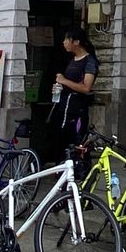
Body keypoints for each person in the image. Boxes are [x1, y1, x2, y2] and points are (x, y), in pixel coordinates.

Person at [42, 28, 98, 164]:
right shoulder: (70, 59)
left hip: (77, 110)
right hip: (63, 107)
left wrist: (64, 81)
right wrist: (60, 87)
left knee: (77, 142)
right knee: (60, 141)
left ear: (77, 42)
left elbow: (86, 87)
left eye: (67, 39)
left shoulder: (89, 61)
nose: (64, 42)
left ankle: (80, 174)